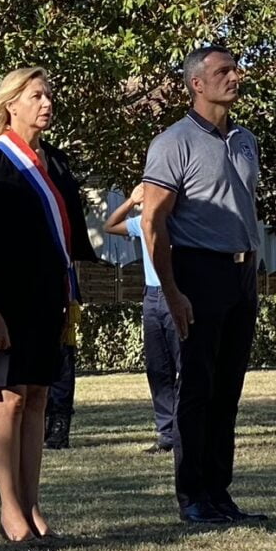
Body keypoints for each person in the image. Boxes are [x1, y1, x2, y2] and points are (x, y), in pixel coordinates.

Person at [141, 46, 270, 527]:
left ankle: (220, 492)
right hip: (198, 271)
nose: (235, 76)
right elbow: (154, 220)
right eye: (223, 71)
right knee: (197, 387)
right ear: (197, 83)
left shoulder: (245, 140)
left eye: (235, 68)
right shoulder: (173, 142)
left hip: (241, 274)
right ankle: (192, 495)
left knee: (228, 387)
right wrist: (172, 290)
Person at [0, 68, 94, 545]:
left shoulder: (55, 162)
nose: (47, 103)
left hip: (49, 295)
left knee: (39, 394)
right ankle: (9, 508)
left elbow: (67, 233)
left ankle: (32, 502)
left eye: (49, 94)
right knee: (12, 396)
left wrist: (71, 293)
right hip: (6, 298)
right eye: (37, 95)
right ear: (11, 104)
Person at [104, 184, 178, 453]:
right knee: (158, 368)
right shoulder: (142, 222)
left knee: (182, 364)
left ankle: (185, 431)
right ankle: (166, 434)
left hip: (177, 294)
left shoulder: (178, 221)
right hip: (151, 297)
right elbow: (110, 226)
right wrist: (130, 201)